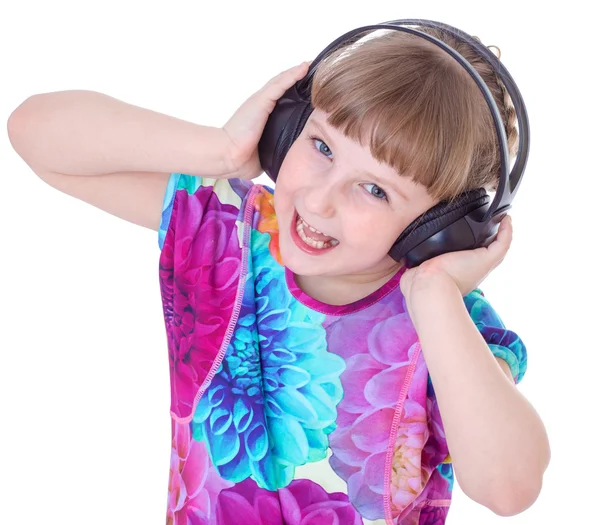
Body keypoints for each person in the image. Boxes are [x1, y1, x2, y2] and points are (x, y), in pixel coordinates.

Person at [7, 24, 550, 525]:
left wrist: (434, 296)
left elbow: (508, 488)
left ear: (439, 228)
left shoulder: (451, 323)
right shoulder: (226, 229)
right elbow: (34, 133)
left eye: (376, 189)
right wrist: (218, 150)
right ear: (286, 129)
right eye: (320, 147)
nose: (319, 199)